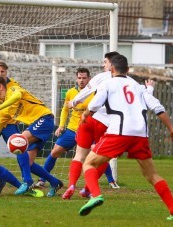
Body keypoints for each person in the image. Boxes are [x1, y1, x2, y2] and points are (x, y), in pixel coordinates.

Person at [78, 55, 173, 221]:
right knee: (152, 175)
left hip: (119, 132)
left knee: (89, 163)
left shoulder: (107, 83)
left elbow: (94, 104)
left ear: (111, 69)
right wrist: (171, 128)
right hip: (140, 134)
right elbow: (157, 107)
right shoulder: (138, 86)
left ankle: (96, 195)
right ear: (127, 70)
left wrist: (85, 115)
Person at [0, 76, 63, 197]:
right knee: (29, 163)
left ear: (1, 87)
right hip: (35, 125)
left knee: (18, 141)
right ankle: (55, 182)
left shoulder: (13, 90)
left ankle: (27, 182)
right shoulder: (4, 111)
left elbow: (17, 96)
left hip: (44, 118)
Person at [63, 52, 128, 199]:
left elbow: (86, 92)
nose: (103, 65)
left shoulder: (101, 77)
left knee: (79, 155)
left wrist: (73, 102)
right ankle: (87, 189)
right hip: (107, 125)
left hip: (90, 119)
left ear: (112, 65)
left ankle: (72, 185)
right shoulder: (128, 81)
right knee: (104, 158)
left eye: (105, 62)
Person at [34, 68, 93, 188]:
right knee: (55, 152)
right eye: (79, 78)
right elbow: (65, 109)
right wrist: (61, 126)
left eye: (84, 78)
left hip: (88, 130)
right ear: (76, 79)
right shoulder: (70, 92)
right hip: (72, 129)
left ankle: (111, 181)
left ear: (89, 79)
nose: (81, 80)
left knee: (94, 154)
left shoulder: (94, 93)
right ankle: (42, 179)